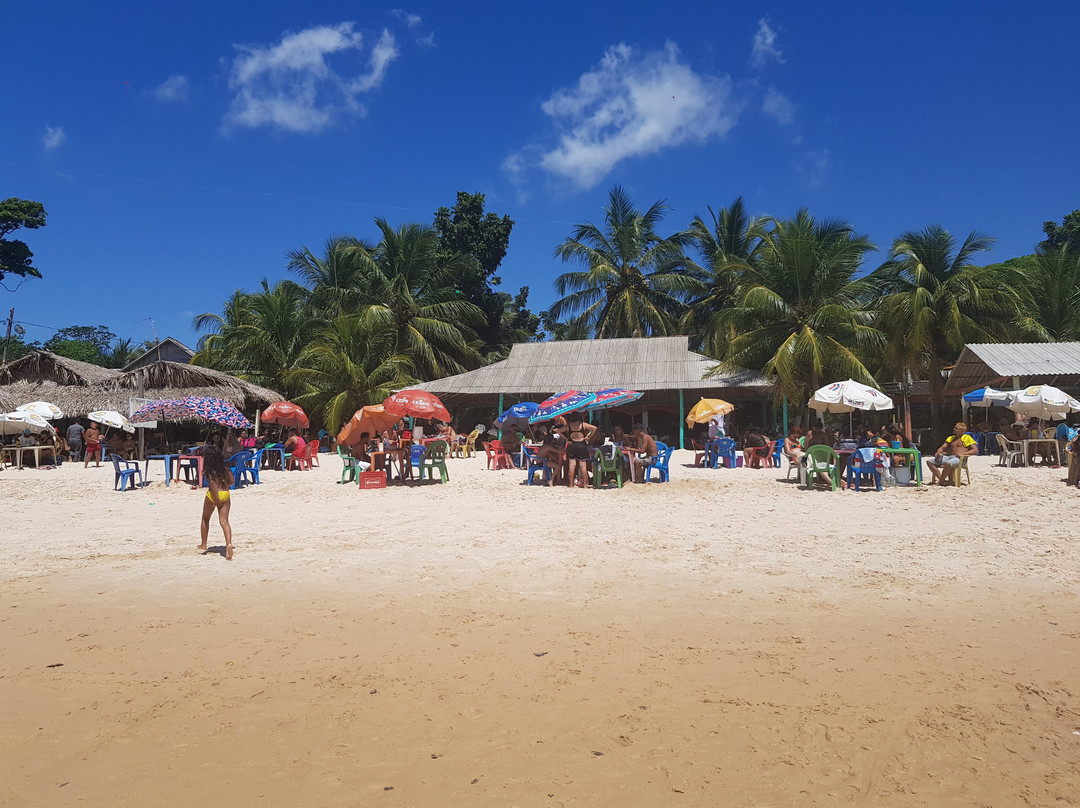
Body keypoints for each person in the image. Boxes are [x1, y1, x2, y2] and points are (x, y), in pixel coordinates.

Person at [198, 446, 235, 560]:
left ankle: (204, 544)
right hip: (225, 493)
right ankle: (228, 543)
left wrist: (216, 500)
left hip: (214, 495)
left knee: (205, 518)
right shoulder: (224, 466)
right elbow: (232, 481)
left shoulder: (208, 469)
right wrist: (225, 486)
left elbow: (213, 486)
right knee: (224, 521)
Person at [925, 422, 978, 486]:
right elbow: (942, 447)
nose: (954, 429)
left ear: (962, 431)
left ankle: (941, 481)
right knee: (929, 461)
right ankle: (942, 480)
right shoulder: (951, 438)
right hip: (949, 456)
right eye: (954, 427)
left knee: (948, 463)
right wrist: (939, 451)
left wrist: (964, 454)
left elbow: (975, 450)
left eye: (956, 428)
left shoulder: (966, 438)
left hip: (959, 458)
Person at [563, 411, 598, 488]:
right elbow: (595, 428)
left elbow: (557, 430)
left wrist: (565, 438)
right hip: (582, 444)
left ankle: (571, 485)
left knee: (572, 465)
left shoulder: (569, 425)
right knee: (583, 466)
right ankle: (585, 485)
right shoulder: (583, 424)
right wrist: (589, 437)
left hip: (572, 444)